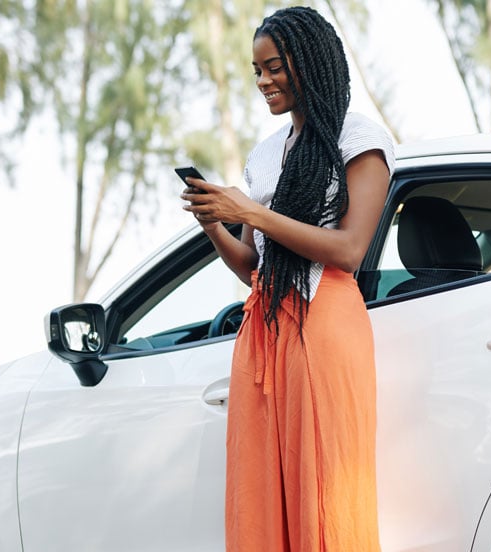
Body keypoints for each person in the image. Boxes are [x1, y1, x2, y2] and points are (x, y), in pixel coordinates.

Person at [181, 6, 394, 551]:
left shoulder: (358, 139)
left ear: (310, 60)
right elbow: (254, 266)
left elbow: (349, 249)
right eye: (257, 70)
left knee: (324, 491)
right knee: (258, 491)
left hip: (324, 324)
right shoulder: (265, 156)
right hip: (264, 331)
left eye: (274, 67)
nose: (263, 81)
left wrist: (251, 212)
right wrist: (214, 223)